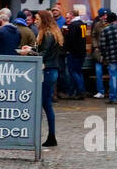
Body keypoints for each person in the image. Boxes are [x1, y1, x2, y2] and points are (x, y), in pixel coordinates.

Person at [29, 9, 65, 146]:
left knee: (44, 104)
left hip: (48, 71)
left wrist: (29, 52)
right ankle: (50, 136)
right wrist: (31, 49)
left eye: (37, 19)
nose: (35, 21)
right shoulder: (50, 33)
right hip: (50, 70)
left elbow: (43, 54)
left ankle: (48, 136)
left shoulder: (48, 35)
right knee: (45, 104)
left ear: (43, 20)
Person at [62, 9, 87, 100]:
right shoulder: (82, 24)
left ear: (72, 15)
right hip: (82, 51)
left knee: (73, 72)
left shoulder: (73, 25)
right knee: (79, 72)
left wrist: (66, 49)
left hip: (74, 52)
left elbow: (71, 40)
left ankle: (81, 91)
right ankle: (75, 91)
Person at [89, 9, 111, 98]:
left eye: (106, 16)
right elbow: (93, 35)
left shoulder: (111, 24)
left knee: (112, 73)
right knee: (98, 72)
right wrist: (96, 46)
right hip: (99, 51)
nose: (105, 17)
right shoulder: (97, 25)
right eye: (103, 16)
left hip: (109, 52)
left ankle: (112, 91)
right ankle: (100, 91)